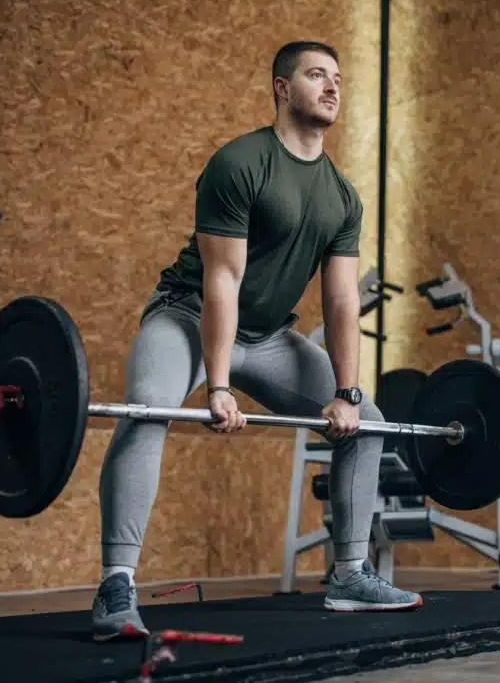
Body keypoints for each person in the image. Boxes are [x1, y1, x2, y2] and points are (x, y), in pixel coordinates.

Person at [89, 40, 423, 641]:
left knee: (367, 421)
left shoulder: (342, 196)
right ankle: (116, 584)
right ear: (280, 87)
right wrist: (217, 385)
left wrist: (346, 391)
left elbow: (343, 300)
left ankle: (349, 573)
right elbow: (223, 280)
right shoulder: (240, 163)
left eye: (337, 79)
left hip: (268, 338)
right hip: (187, 318)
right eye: (316, 75)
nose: (332, 87)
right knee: (145, 414)